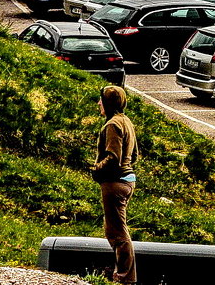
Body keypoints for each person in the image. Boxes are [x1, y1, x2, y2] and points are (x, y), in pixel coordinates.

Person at [92, 85, 140, 284]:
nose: (99, 103)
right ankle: (122, 274)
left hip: (115, 183)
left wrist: (96, 169)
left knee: (117, 233)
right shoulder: (126, 121)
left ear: (109, 103)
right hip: (127, 180)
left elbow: (113, 158)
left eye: (101, 100)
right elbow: (134, 155)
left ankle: (124, 278)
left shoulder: (112, 125)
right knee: (117, 229)